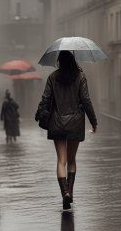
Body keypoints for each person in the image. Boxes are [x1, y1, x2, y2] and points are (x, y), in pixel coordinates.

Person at [40, 51, 97, 210]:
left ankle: (64, 193)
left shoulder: (52, 77)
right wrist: (93, 121)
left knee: (61, 161)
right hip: (76, 123)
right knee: (72, 161)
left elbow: (45, 99)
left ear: (59, 61)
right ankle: (69, 193)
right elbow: (86, 100)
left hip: (57, 123)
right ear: (73, 60)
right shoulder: (80, 76)